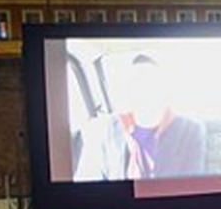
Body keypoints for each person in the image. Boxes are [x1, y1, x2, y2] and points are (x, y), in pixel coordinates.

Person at [74, 54, 206, 181]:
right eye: (137, 83)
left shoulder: (191, 130)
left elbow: (190, 186)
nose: (145, 91)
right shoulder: (103, 131)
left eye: (152, 84)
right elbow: (86, 186)